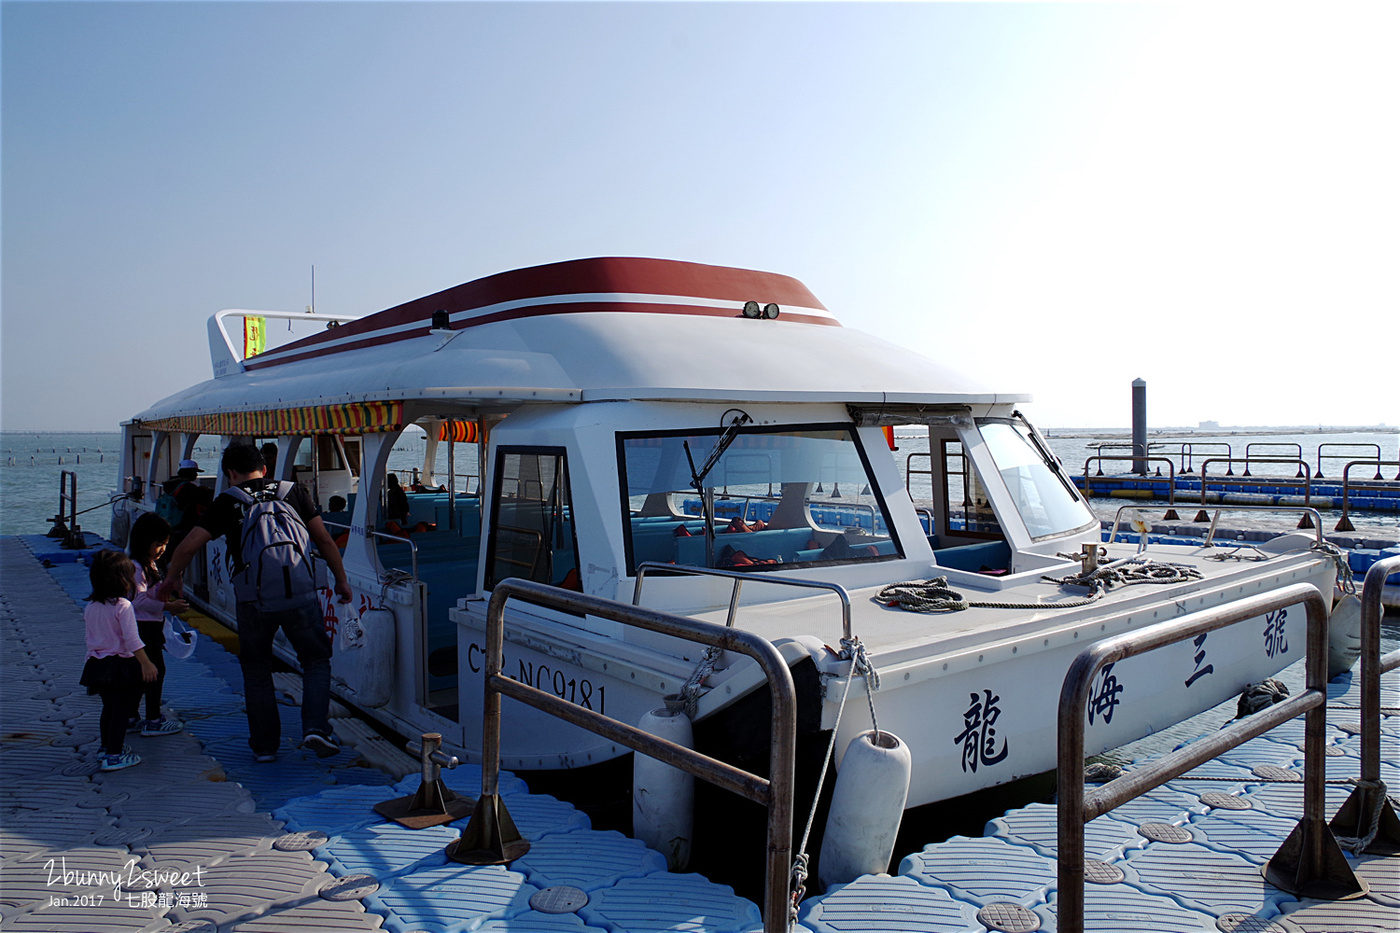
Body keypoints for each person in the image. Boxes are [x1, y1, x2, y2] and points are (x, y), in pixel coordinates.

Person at [161, 443, 352, 762]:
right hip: (301, 594)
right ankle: (315, 728)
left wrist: (174, 578)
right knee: (316, 661)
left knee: (257, 669)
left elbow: (187, 546)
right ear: (264, 469)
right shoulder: (293, 492)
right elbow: (324, 539)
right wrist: (341, 579)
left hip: (254, 601)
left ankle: (265, 747)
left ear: (230, 474)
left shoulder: (228, 501)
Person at [80, 550, 159, 772]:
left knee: (109, 709)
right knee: (122, 712)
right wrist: (146, 663)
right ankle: (114, 755)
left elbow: (91, 638)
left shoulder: (91, 606)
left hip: (97, 664)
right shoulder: (123, 606)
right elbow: (132, 639)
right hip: (121, 666)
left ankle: (105, 748)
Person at [126, 512, 189, 736]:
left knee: (142, 674)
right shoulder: (136, 567)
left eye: (165, 544)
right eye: (159, 544)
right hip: (143, 628)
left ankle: (131, 716)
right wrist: (168, 607)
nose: (162, 549)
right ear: (145, 542)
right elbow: (138, 600)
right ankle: (153, 719)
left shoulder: (150, 564)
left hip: (151, 626)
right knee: (155, 672)